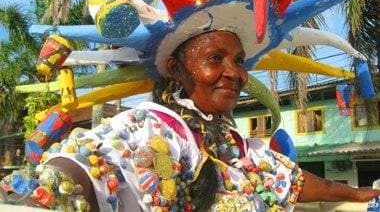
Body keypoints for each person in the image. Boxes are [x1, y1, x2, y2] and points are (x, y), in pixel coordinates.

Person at [2, 30, 380, 211]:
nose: (235, 73)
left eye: (239, 60)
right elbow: (87, 167)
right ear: (175, 69)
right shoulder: (152, 127)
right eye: (215, 59)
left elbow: (290, 182)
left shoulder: (235, 143)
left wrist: (359, 193)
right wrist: (43, 194)